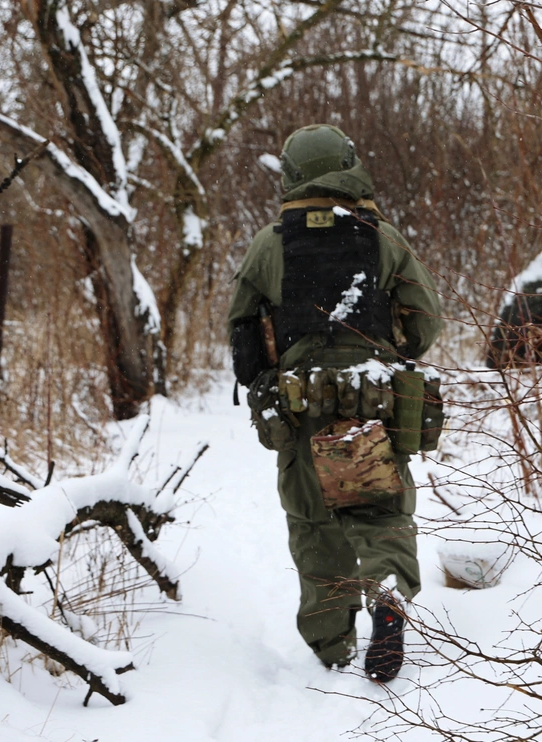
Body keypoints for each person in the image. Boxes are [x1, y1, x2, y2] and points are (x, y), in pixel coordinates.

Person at [227, 124, 443, 681]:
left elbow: (242, 330)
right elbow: (426, 321)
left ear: (293, 175)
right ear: (349, 167)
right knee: (380, 510)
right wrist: (394, 349)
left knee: (312, 519)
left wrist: (265, 378)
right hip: (372, 396)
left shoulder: (269, 242)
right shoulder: (382, 237)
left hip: (299, 402)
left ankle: (331, 646)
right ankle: (387, 597)